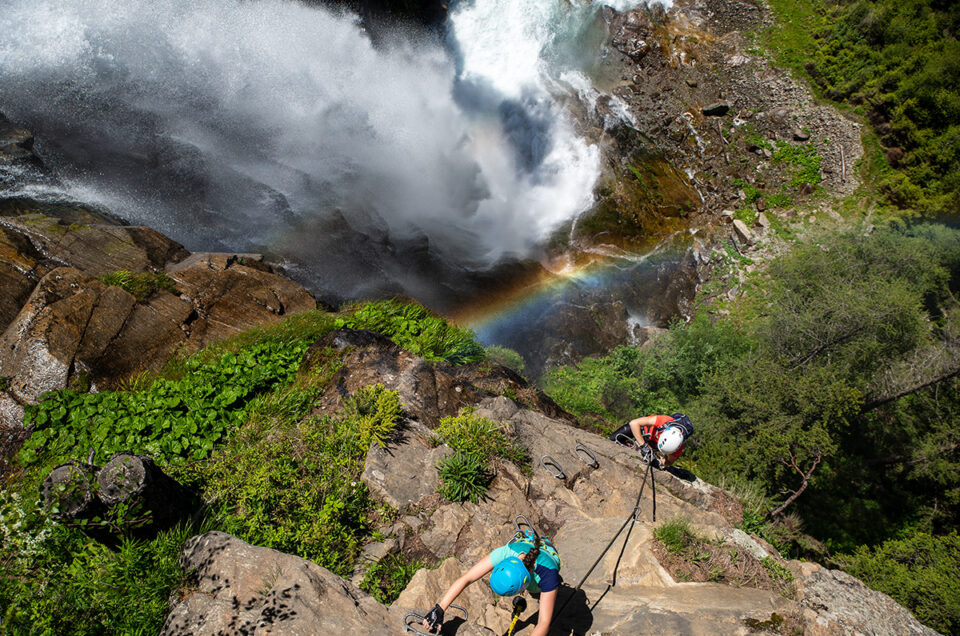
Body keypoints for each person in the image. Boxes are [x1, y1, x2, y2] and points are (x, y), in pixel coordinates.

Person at [422, 529, 561, 636]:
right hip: (525, 552)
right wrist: (439, 609)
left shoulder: (549, 576)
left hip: (546, 564)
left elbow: (543, 623)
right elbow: (467, 578)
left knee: (540, 593)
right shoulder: (506, 553)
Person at [608, 413, 693, 469]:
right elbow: (634, 423)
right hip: (643, 431)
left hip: (652, 444)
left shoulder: (677, 446)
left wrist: (660, 462)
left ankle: (637, 447)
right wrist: (643, 446)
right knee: (613, 439)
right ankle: (634, 445)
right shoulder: (664, 421)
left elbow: (668, 462)